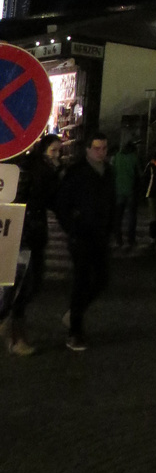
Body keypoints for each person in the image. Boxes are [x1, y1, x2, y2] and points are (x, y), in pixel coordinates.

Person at [0, 134, 62, 355]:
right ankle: (15, 337)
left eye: (59, 151)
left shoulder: (43, 169)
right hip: (22, 236)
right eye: (53, 150)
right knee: (19, 288)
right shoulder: (32, 170)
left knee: (26, 287)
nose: (57, 155)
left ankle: (15, 333)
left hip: (31, 235)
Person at [56, 132, 115, 352]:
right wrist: (72, 227)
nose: (102, 152)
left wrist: (111, 227)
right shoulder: (77, 172)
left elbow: (111, 201)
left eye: (104, 148)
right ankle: (75, 331)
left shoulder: (108, 171)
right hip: (81, 235)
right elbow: (62, 204)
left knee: (102, 279)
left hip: (100, 235)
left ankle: (74, 313)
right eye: (97, 148)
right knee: (81, 281)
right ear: (88, 149)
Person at [111, 140, 140, 249]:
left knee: (118, 217)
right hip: (131, 191)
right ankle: (131, 240)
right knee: (131, 217)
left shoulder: (116, 157)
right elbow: (139, 174)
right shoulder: (134, 158)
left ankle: (118, 240)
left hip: (118, 191)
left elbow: (112, 172)